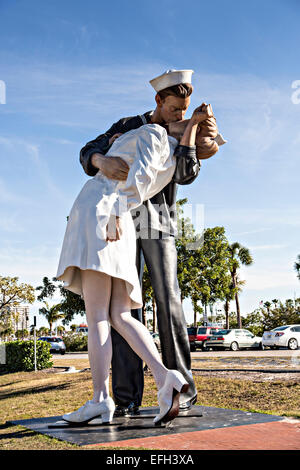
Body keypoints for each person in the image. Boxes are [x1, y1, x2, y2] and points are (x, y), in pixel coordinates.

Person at [56, 105, 212, 426]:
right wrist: (103, 157)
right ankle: (158, 382)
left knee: (106, 313)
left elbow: (150, 177)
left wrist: (116, 205)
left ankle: (103, 398)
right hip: (122, 215)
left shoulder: (159, 138)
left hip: (117, 213)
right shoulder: (144, 132)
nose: (179, 116)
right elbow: (90, 151)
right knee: (120, 314)